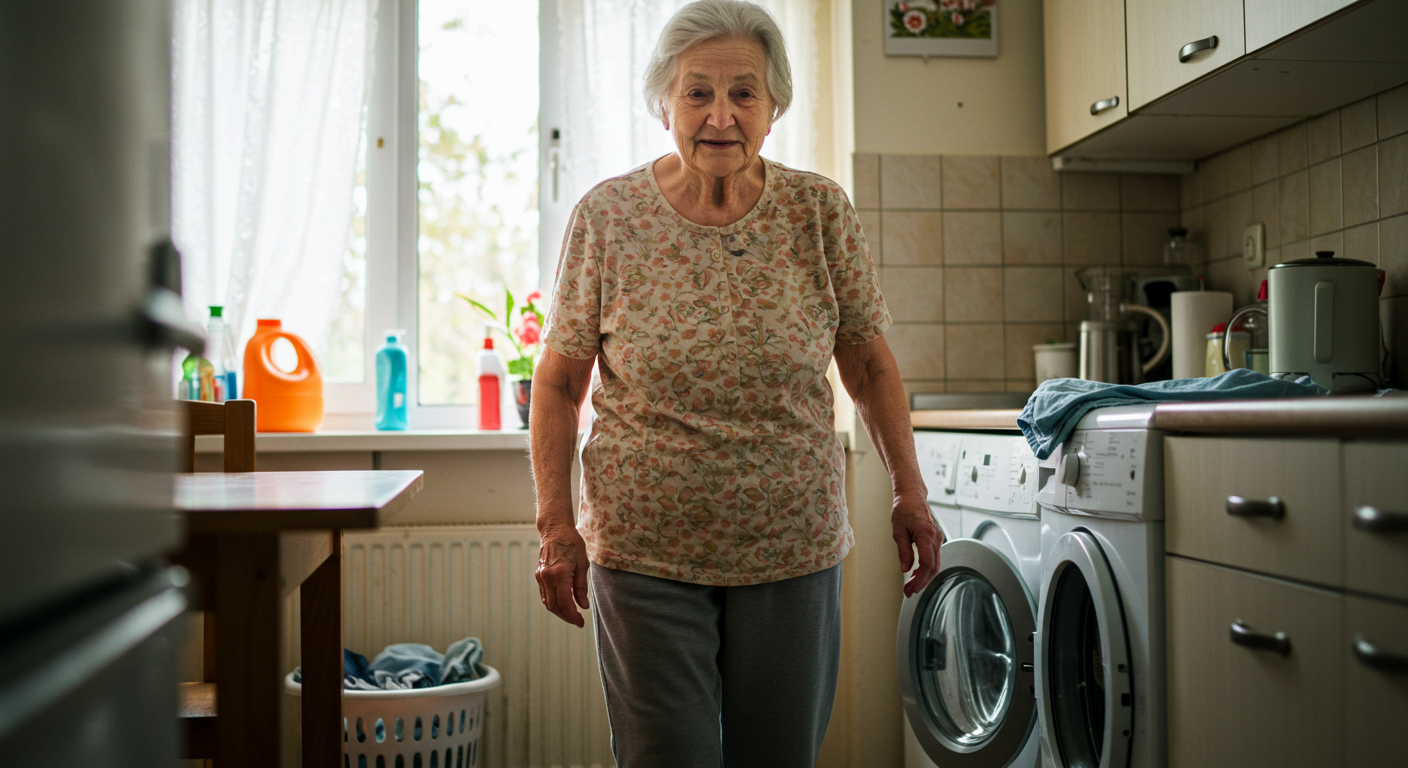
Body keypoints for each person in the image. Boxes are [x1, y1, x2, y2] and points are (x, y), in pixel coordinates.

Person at [529, 1, 941, 765]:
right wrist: (557, 526)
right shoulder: (608, 217)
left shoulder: (818, 212)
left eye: (744, 93)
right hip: (646, 549)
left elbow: (870, 365)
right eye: (697, 92)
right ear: (664, 104)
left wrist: (908, 491)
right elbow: (556, 385)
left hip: (792, 545)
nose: (721, 116)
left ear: (774, 106)